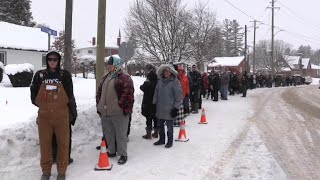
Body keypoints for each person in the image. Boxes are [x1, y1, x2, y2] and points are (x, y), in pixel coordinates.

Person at [30, 51, 77, 180]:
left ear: (58, 61)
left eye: (55, 59)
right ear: (47, 61)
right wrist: (45, 105)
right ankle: (46, 171)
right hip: (44, 117)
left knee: (63, 144)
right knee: (45, 145)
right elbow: (33, 95)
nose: (52, 61)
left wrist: (70, 111)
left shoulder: (64, 75)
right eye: (50, 59)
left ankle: (61, 171)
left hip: (61, 116)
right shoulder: (40, 75)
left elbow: (69, 95)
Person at [96, 56, 134, 165]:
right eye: (108, 64)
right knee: (108, 133)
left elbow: (127, 94)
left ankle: (123, 154)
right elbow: (99, 92)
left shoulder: (124, 77)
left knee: (121, 134)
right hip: (105, 112)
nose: (108, 66)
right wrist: (99, 105)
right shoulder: (106, 77)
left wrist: (119, 106)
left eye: (111, 64)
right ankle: (111, 151)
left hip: (118, 112)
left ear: (116, 65)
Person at [153, 64, 183, 148]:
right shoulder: (160, 81)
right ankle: (162, 140)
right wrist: (154, 103)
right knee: (160, 125)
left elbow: (179, 96)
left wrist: (176, 108)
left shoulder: (175, 82)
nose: (166, 72)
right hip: (160, 108)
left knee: (169, 127)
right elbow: (156, 92)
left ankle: (170, 141)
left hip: (170, 109)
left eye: (168, 71)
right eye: (165, 71)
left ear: (171, 72)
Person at [140, 65, 158, 139]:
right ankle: (156, 133)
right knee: (156, 118)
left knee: (148, 118)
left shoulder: (147, 83)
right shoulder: (158, 83)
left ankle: (148, 134)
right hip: (155, 103)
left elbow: (141, 87)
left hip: (147, 103)